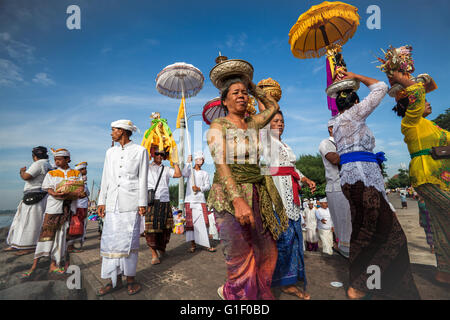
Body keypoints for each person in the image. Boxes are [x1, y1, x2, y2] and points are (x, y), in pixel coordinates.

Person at [333, 70, 419, 300]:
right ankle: (365, 285)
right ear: (357, 102)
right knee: (392, 236)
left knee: (364, 233)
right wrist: (355, 76)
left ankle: (362, 285)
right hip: (362, 181)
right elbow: (380, 86)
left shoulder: (338, 122)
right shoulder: (354, 115)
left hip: (355, 182)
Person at [207, 78, 288, 300]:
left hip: (256, 191)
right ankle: (238, 295)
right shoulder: (218, 126)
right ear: (224, 100)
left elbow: (273, 107)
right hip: (228, 195)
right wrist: (237, 200)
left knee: (267, 248)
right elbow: (220, 163)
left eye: (244, 93)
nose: (242, 95)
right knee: (239, 253)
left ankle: (260, 291)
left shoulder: (253, 123)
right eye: (235, 92)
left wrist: (252, 86)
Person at [387, 71, 450, 284]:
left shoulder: (432, 125)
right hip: (426, 176)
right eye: (424, 101)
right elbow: (417, 92)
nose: (428, 103)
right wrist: (398, 75)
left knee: (443, 224)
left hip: (442, 176)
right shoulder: (410, 121)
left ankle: (444, 271)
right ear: (412, 104)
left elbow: (424, 88)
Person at [258, 95, 315, 299]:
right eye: (275, 121)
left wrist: (306, 179)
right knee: (282, 240)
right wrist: (265, 99)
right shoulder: (266, 140)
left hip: (291, 195)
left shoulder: (285, 145)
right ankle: (279, 282)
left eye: (282, 121)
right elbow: (263, 116)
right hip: (277, 196)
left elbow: (292, 168)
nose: (280, 124)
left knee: (294, 239)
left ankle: (289, 281)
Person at [96, 120, 148, 296]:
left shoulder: (140, 151)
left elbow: (143, 178)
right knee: (110, 241)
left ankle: (130, 279)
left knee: (129, 241)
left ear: (123, 131)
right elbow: (105, 178)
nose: (111, 133)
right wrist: (101, 201)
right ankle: (113, 280)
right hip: (112, 203)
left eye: (114, 130)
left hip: (131, 203)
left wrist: (142, 203)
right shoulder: (110, 152)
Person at [22, 148, 84, 278]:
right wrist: (54, 193)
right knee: (46, 235)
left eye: (59, 159)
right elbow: (48, 188)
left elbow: (81, 188)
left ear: (67, 159)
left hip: (68, 209)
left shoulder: (75, 173)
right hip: (53, 208)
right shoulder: (52, 173)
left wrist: (76, 193)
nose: (56, 162)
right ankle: (34, 266)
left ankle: (54, 264)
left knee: (61, 237)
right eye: (55, 159)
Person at [6, 147, 52, 255]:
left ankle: (28, 246)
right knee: (23, 221)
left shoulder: (39, 163)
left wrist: (22, 171)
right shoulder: (48, 164)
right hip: (39, 195)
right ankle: (16, 244)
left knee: (29, 223)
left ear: (34, 156)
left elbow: (27, 176)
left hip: (34, 195)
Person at [319, 117, 352, 258]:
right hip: (336, 187)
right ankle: (344, 251)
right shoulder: (325, 143)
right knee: (343, 222)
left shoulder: (345, 142)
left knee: (351, 221)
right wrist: (356, 154)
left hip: (349, 185)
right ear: (330, 129)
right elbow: (335, 159)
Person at [145, 145, 181, 265]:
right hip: (152, 201)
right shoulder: (147, 167)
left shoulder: (166, 169)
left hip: (165, 201)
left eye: (162, 154)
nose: (159, 156)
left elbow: (178, 174)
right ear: (152, 154)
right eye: (157, 154)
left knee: (165, 229)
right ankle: (153, 254)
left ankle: (162, 249)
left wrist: (175, 161)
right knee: (151, 230)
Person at [183, 152, 215, 253]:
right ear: (195, 160)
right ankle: (193, 245)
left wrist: (199, 188)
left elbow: (208, 186)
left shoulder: (205, 173)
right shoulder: (190, 171)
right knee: (191, 223)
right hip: (189, 199)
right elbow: (183, 174)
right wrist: (188, 162)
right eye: (198, 159)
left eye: (202, 160)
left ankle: (206, 244)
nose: (200, 162)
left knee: (203, 222)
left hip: (200, 200)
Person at [67, 162, 90, 253]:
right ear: (80, 170)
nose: (86, 170)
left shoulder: (83, 180)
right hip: (78, 206)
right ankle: (70, 246)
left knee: (80, 226)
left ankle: (72, 245)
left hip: (82, 206)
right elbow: (81, 193)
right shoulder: (77, 180)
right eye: (84, 169)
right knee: (75, 226)